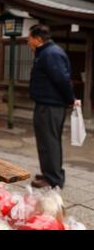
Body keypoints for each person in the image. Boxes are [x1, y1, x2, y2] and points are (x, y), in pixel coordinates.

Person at [28, 24, 81, 189]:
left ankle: (53, 179)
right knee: (48, 141)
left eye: (30, 38)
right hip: (47, 104)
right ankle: (50, 174)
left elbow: (62, 79)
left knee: (49, 142)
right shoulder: (47, 52)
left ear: (38, 39)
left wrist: (70, 99)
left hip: (50, 106)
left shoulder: (50, 54)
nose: (28, 41)